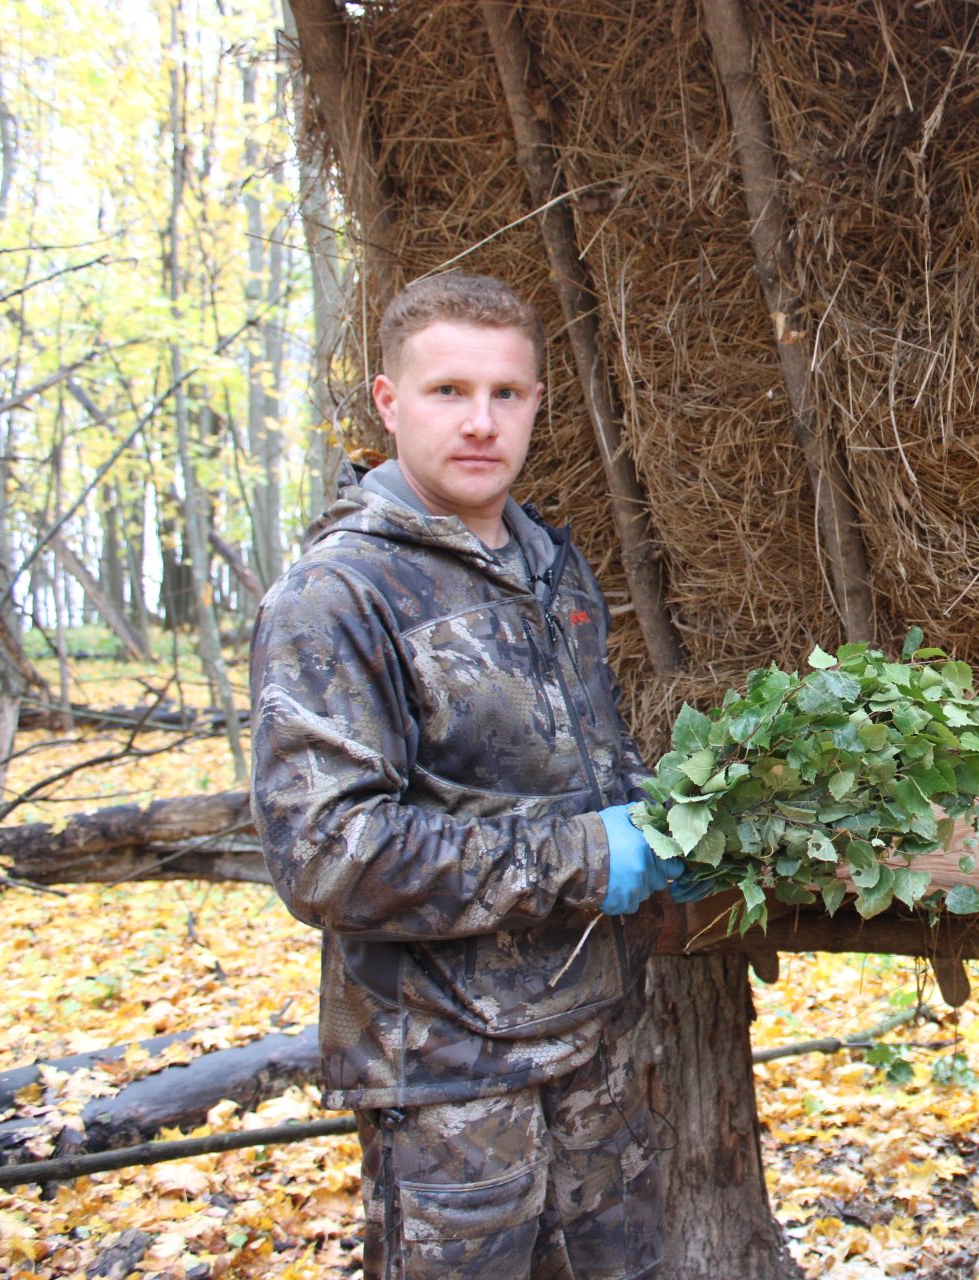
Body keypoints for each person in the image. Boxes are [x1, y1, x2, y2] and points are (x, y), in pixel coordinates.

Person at [251, 272, 705, 1278]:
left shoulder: (547, 561)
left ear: (538, 402)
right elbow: (328, 853)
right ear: (388, 401)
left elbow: (569, 758)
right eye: (448, 390)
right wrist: (593, 853)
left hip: (599, 1044)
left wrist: (666, 817)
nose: (480, 421)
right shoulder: (339, 594)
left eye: (506, 393)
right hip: (452, 1080)